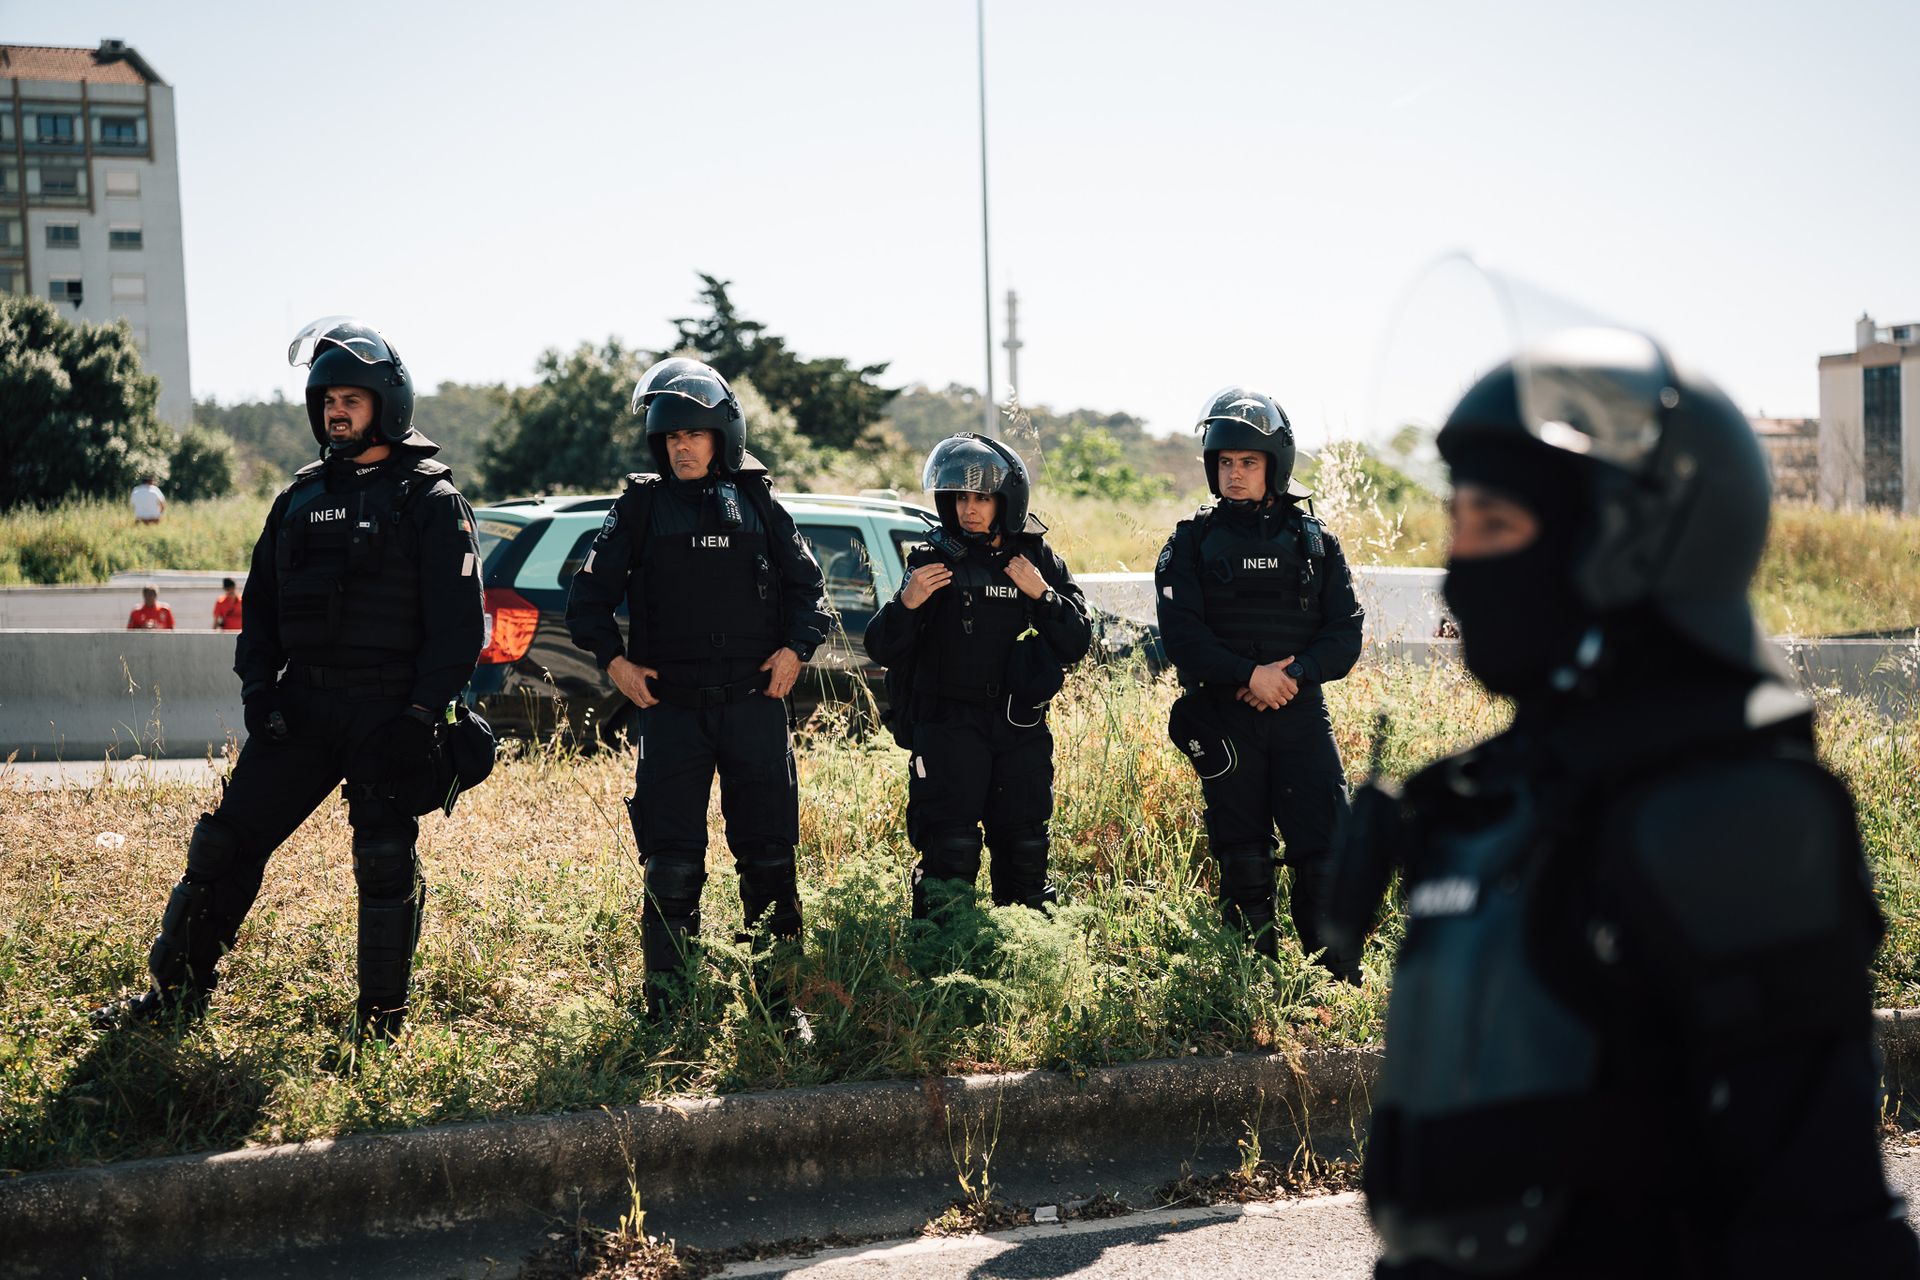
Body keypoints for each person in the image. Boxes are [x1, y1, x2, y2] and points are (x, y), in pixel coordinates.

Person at [1330, 330, 1920, 1276]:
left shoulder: (1728, 813)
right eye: (1458, 527)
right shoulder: (1497, 794)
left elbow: (1820, 1223)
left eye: (1497, 528)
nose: (1460, 569)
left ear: (1626, 542)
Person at [94, 318, 484, 1043]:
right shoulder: (297, 501)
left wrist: (423, 714)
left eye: (353, 399)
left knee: (383, 861)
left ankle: (380, 1026)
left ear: (388, 405)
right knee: (223, 845)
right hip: (302, 707)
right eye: (328, 399)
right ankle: (173, 997)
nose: (337, 411)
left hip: (389, 709)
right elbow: (261, 612)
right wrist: (258, 692)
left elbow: (462, 628)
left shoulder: (431, 501)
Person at [566, 357, 831, 1019]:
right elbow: (587, 603)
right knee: (671, 866)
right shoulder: (639, 507)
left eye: (694, 435)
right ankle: (669, 1005)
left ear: (722, 436)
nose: (681, 447)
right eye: (670, 437)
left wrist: (796, 651)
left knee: (769, 861)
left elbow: (811, 593)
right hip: (673, 713)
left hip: (755, 708)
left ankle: (779, 1006)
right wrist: (616, 664)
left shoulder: (760, 501)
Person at [1153, 388, 1364, 978]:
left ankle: (1336, 985)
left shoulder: (1315, 541)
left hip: (1299, 718)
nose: (1235, 474)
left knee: (1325, 852)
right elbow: (1184, 640)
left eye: (1248, 462)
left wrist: (1290, 676)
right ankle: (1250, 988)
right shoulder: (1188, 544)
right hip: (1226, 720)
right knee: (1242, 855)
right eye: (1225, 462)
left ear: (1275, 465)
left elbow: (1344, 635)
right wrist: (1249, 676)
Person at [863, 433, 1091, 919]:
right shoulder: (932, 559)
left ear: (1004, 501)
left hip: (1019, 728)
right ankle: (942, 970)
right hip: (949, 726)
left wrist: (1044, 595)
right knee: (950, 851)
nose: (969, 509)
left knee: (1025, 850)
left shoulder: (1036, 558)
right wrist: (907, 603)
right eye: (961, 497)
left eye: (982, 498)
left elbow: (1077, 642)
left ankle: (1025, 962)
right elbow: (881, 647)